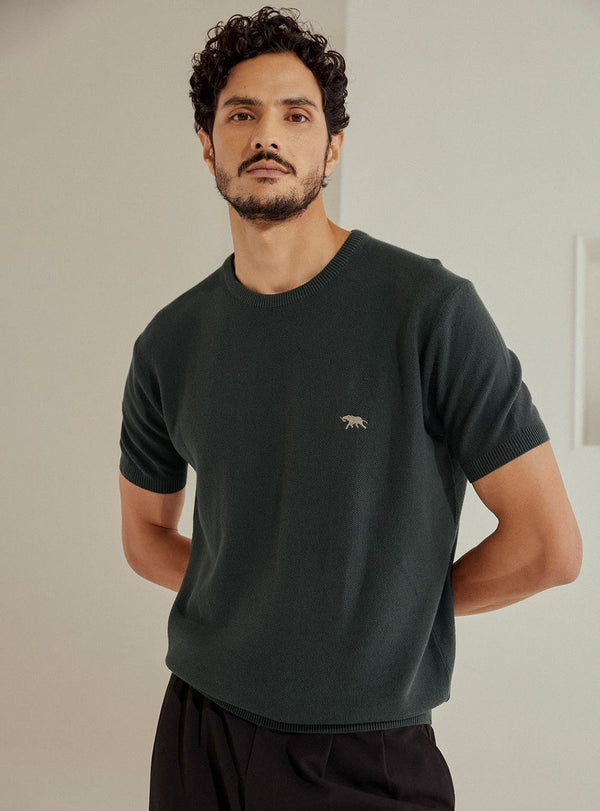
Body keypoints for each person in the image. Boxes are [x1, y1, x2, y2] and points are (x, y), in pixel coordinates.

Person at [118, 7, 582, 809]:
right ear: (207, 144)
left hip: (367, 753)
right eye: (241, 114)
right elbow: (145, 537)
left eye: (297, 115)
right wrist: (261, 599)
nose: (268, 134)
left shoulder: (428, 311)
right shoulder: (170, 342)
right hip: (199, 734)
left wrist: (387, 614)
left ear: (332, 146)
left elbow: (549, 545)